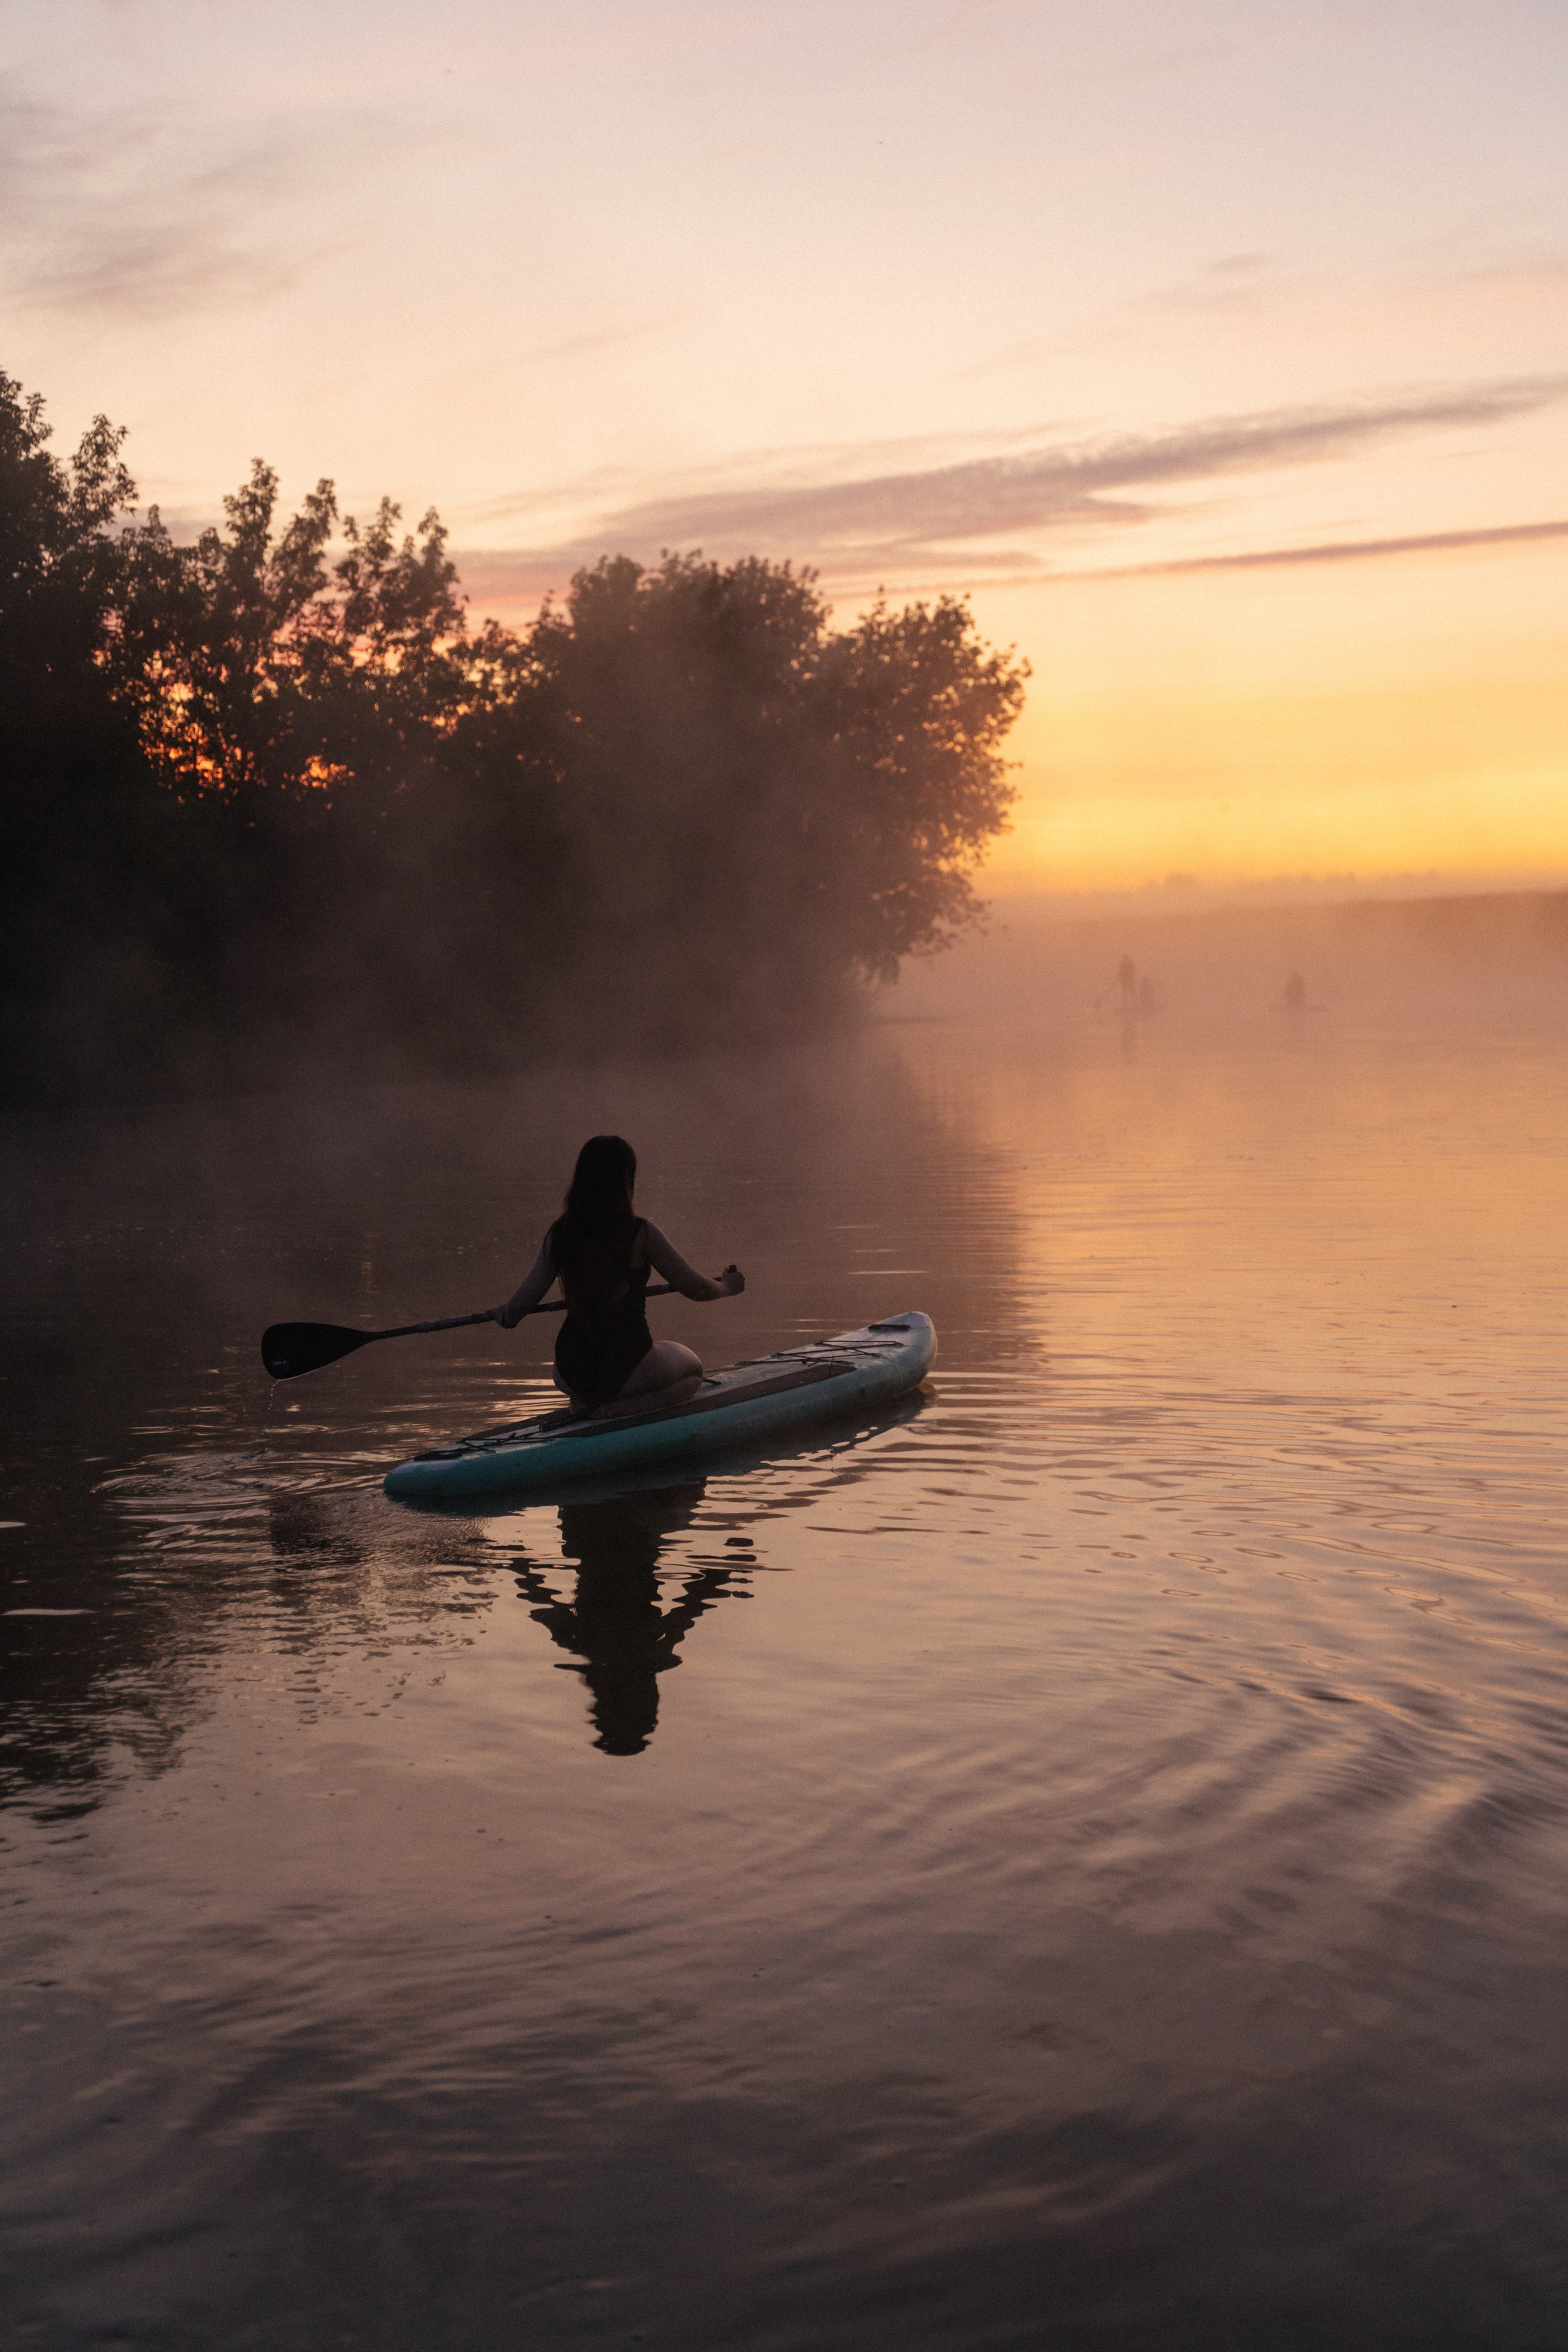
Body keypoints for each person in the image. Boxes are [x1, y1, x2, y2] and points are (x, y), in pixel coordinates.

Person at [489, 1134, 744, 1418]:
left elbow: (517, 1311)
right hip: (626, 1363)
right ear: (626, 1180)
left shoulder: (560, 1234)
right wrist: (727, 1287)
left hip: (569, 1370)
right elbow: (697, 1289)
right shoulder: (641, 1233)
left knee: (611, 1376)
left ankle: (586, 1403)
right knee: (694, 1374)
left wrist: (505, 1315)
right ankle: (613, 1410)